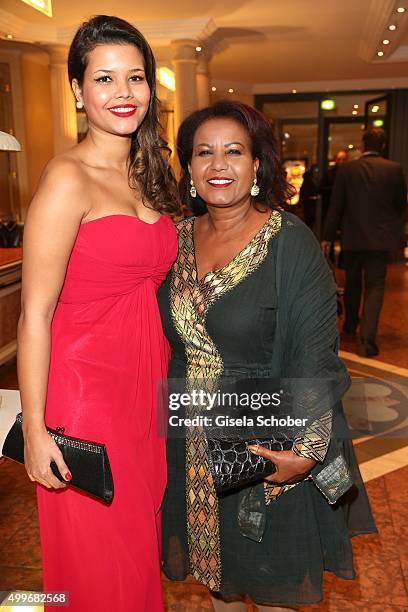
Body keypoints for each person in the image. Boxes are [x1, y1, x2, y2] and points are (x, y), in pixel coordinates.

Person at [157, 101, 376, 611]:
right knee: (221, 586)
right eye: (203, 153)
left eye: (234, 151)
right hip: (190, 446)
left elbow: (315, 354)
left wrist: (305, 449)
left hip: (263, 446)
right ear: (188, 168)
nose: (218, 165)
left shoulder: (290, 244)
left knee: (273, 590)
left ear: (257, 165)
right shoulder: (175, 241)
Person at [17, 15, 179, 611]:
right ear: (79, 93)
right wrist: (36, 431)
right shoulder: (66, 178)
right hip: (84, 401)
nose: (123, 93)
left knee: (137, 551)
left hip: (144, 394)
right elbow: (35, 314)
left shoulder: (150, 176)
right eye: (105, 79)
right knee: (98, 565)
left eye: (135, 78)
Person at [322, 128, 407, 357]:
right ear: (383, 145)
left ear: (362, 145)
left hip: (353, 237)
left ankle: (350, 324)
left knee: (352, 282)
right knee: (375, 286)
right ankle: (367, 340)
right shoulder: (394, 170)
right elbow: (400, 205)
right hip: (380, 239)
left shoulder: (347, 170)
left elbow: (336, 206)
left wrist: (327, 237)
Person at [319, 149, 348, 223]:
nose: (341, 162)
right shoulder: (329, 173)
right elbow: (320, 189)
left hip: (346, 211)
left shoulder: (350, 174)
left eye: (343, 159)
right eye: (339, 159)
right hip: (330, 208)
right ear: (335, 160)